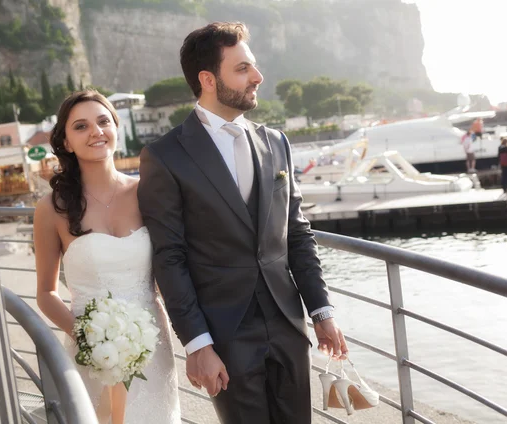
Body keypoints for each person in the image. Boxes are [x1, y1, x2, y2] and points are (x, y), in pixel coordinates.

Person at [138, 22, 348, 424]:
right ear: (208, 79)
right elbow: (169, 257)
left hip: (288, 325)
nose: (258, 77)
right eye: (242, 69)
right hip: (224, 334)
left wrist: (321, 310)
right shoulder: (165, 156)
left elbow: (298, 233)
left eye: (253, 66)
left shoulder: (277, 142)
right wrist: (197, 343)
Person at [33, 90, 181, 424]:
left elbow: (175, 266)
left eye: (103, 121)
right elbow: (45, 293)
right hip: (90, 350)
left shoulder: (147, 193)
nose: (96, 132)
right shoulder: (51, 209)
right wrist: (89, 338)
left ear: (116, 127)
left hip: (151, 344)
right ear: (67, 142)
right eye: (81, 126)